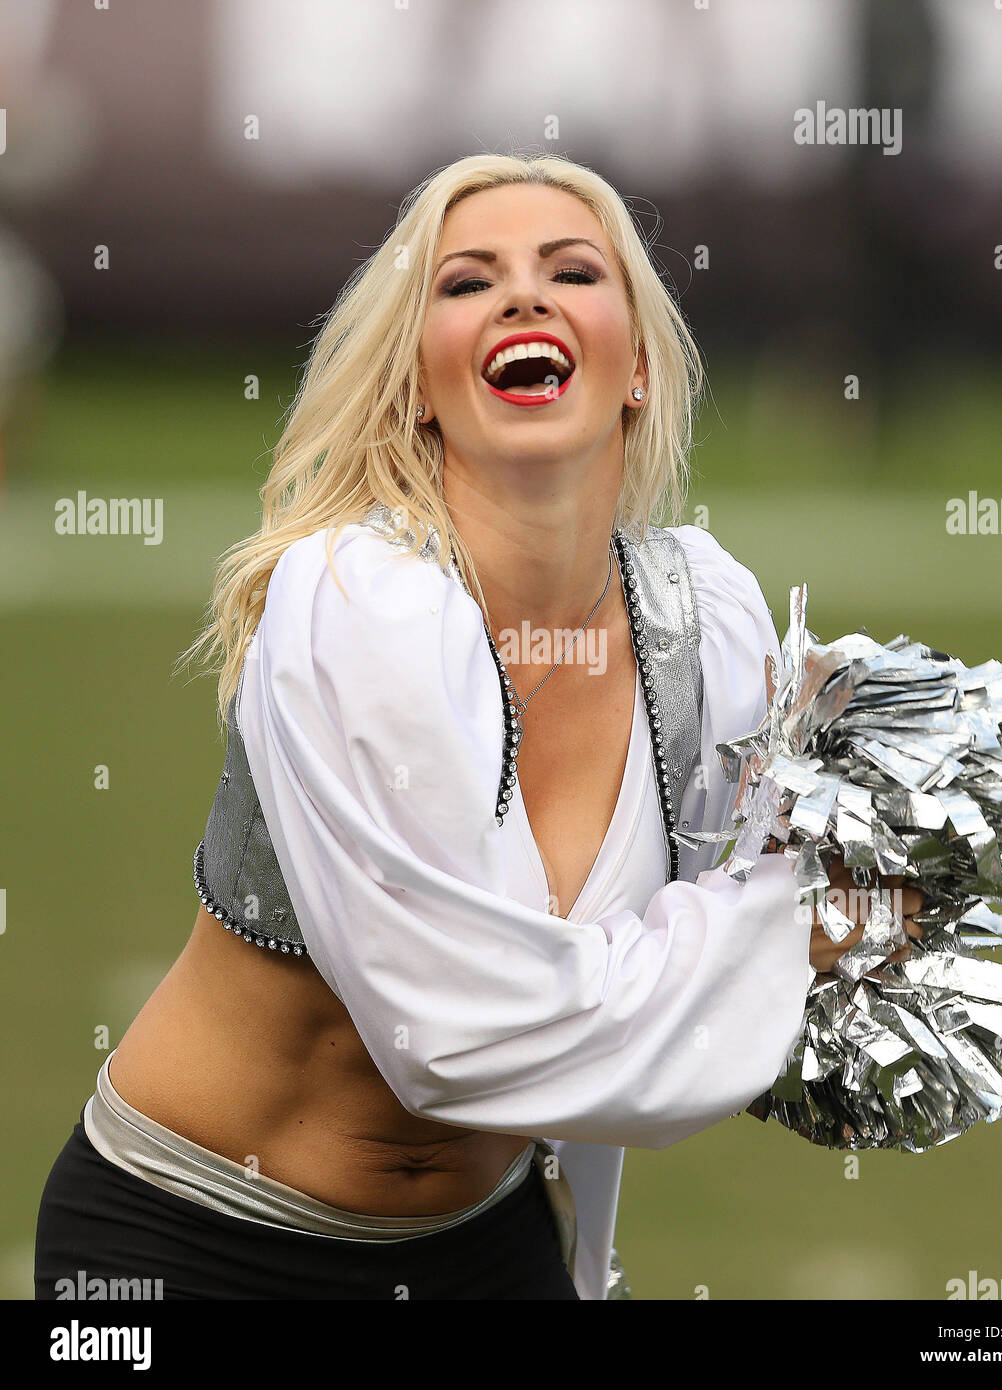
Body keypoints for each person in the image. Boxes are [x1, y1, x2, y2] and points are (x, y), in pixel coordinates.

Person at [33, 152, 922, 1302]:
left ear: (638, 363)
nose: (522, 295)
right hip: (198, 1237)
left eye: (570, 269)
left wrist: (893, 870)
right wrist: (791, 927)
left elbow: (758, 921)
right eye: (466, 283)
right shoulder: (353, 600)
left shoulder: (701, 624)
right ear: (414, 380)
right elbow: (455, 1036)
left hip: (481, 1246)